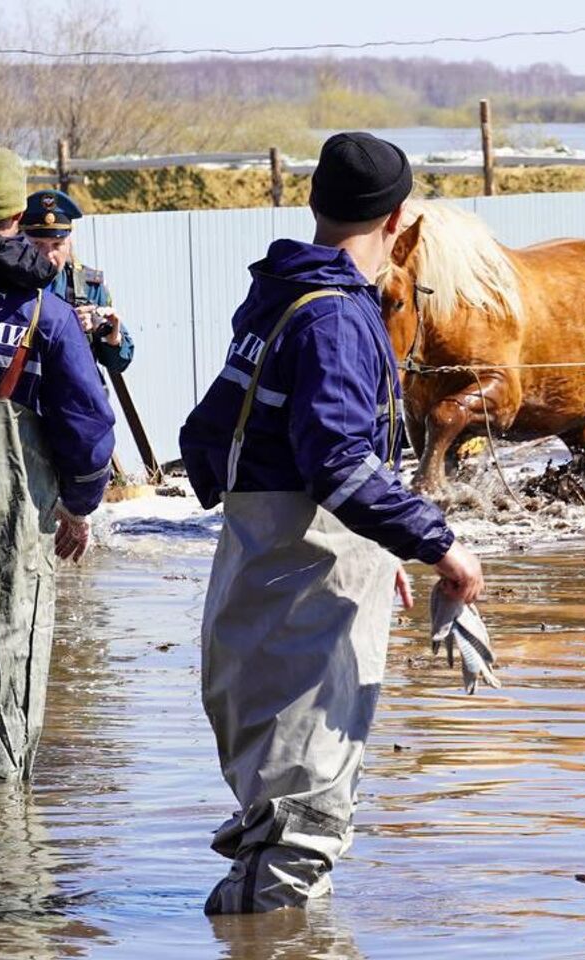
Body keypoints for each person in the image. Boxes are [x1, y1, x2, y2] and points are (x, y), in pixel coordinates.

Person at [179, 131, 484, 916]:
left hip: (255, 592)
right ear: (398, 221)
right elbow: (341, 466)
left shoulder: (277, 296)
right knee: (301, 824)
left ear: (317, 205)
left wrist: (368, 550)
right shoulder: (338, 320)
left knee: (275, 809)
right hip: (301, 608)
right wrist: (437, 544)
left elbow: (207, 441)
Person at [0, 143, 116, 780]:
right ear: (15, 214)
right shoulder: (46, 315)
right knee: (5, 664)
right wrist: (80, 508)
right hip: (9, 527)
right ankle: (3, 852)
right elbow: (88, 429)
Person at [20, 190, 134, 376]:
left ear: (69, 243)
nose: (48, 255)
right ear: (21, 241)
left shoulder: (88, 286)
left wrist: (109, 336)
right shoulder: (4, 284)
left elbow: (119, 362)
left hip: (72, 399)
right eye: (37, 244)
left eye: (57, 245)